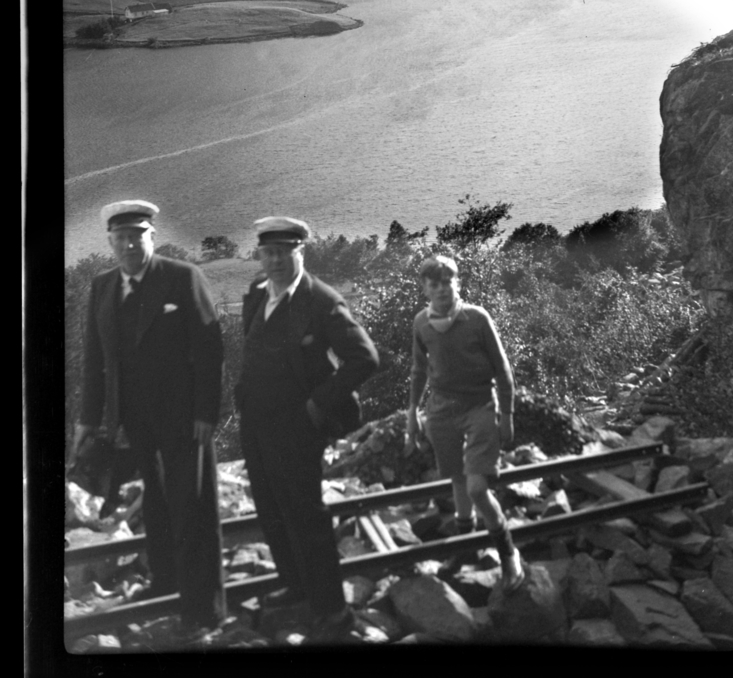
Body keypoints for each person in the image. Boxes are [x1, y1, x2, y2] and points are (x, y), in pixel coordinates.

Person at [70, 201, 226, 636]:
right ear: (110, 243)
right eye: (120, 238)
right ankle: (165, 583)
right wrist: (88, 421)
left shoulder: (182, 277)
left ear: (151, 237)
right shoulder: (102, 287)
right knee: (156, 502)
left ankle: (205, 610)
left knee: (194, 508)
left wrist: (205, 415)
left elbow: (210, 350)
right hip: (133, 423)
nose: (128, 245)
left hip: (184, 420)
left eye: (137, 236)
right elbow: (95, 361)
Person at [236, 216, 379, 644]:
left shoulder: (322, 301)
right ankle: (297, 586)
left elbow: (364, 357)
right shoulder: (257, 295)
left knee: (306, 517)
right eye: (268, 253)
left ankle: (333, 612)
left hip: (297, 428)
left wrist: (318, 403)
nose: (275, 260)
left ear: (301, 252)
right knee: (271, 510)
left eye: (284, 252)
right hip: (257, 425)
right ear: (260, 256)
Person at [406, 254, 524, 591]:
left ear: (457, 283)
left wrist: (507, 415)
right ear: (425, 289)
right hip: (441, 410)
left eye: (448, 281)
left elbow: (503, 370)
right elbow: (418, 370)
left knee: (476, 486)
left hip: (480, 407)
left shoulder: (476, 318)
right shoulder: (421, 324)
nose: (442, 289)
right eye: (435, 284)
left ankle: (508, 554)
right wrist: (412, 413)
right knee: (457, 481)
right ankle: (466, 549)